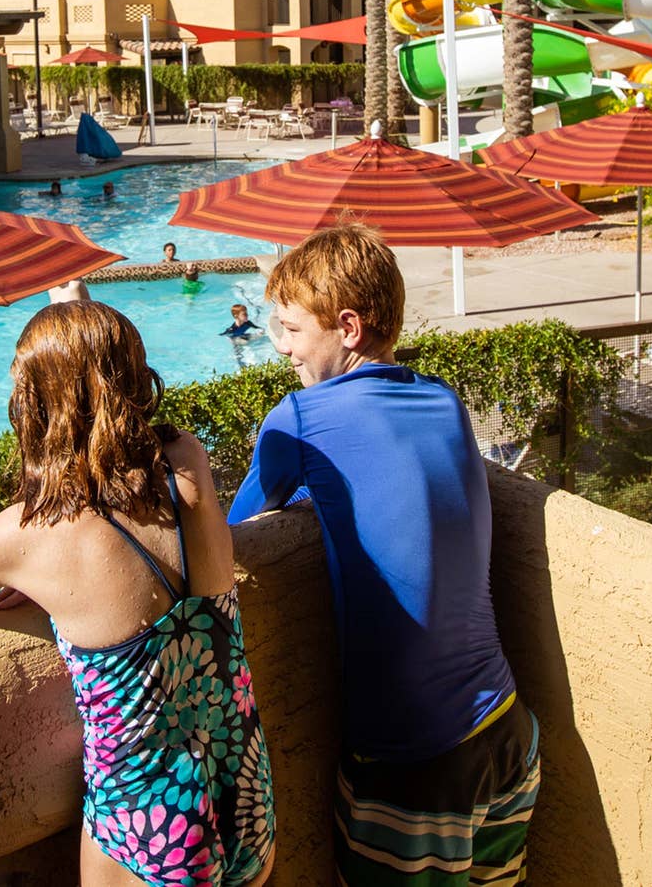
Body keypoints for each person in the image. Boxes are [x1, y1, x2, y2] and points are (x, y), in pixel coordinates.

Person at [0, 301, 276, 887]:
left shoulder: (28, 536)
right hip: (244, 788)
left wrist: (27, 575)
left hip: (148, 825)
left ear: (36, 406)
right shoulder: (188, 461)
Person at [225, 223, 538, 886]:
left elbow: (232, 533)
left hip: (413, 762)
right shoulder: (445, 401)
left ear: (347, 327)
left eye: (291, 329)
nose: (280, 347)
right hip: (508, 731)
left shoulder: (299, 419)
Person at [221, 304, 261, 369]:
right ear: (236, 316)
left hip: (243, 335)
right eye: (244, 314)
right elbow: (223, 335)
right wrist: (231, 341)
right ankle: (243, 368)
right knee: (239, 352)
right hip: (235, 339)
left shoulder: (248, 323)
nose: (247, 315)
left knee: (259, 336)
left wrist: (261, 331)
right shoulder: (232, 329)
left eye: (247, 313)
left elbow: (258, 328)